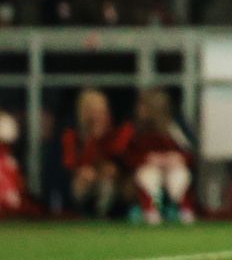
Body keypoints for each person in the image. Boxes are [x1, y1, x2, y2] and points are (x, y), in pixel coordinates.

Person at [125, 88, 194, 224]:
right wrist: (147, 159)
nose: (139, 109)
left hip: (171, 169)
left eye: (143, 106)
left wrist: (177, 158)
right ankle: (152, 211)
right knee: (148, 177)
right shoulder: (136, 129)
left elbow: (189, 153)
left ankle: (183, 210)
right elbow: (128, 156)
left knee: (179, 176)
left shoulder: (174, 127)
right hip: (146, 169)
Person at [60, 88, 133, 218]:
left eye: (101, 111)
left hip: (118, 185)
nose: (97, 116)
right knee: (81, 182)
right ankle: (83, 215)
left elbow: (119, 160)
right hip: (84, 186)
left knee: (108, 182)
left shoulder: (119, 131)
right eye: (92, 112)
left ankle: (107, 216)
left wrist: (107, 169)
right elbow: (68, 166)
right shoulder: (71, 136)